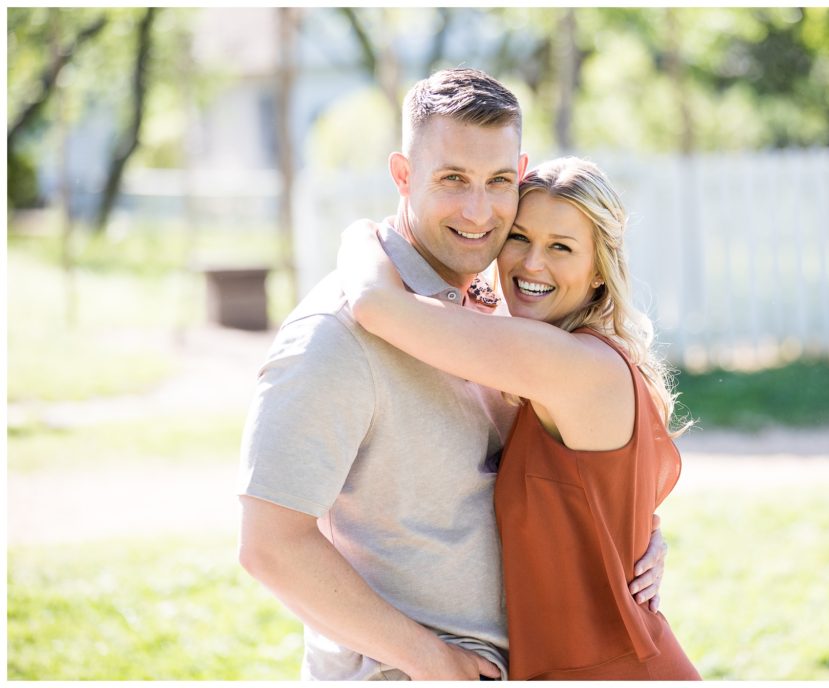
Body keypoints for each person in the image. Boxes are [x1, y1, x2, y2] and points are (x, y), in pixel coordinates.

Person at [237, 68, 667, 681]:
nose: (478, 210)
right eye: (452, 180)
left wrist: (633, 534)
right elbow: (269, 546)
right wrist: (432, 661)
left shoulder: (506, 318)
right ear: (403, 176)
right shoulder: (336, 337)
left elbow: (572, 480)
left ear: (519, 174)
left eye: (497, 182)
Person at [338, 156, 701, 680]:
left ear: (600, 269)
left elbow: (375, 303)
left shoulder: (570, 364)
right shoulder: (578, 360)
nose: (532, 264)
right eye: (519, 237)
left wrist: (359, 234)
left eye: (561, 247)